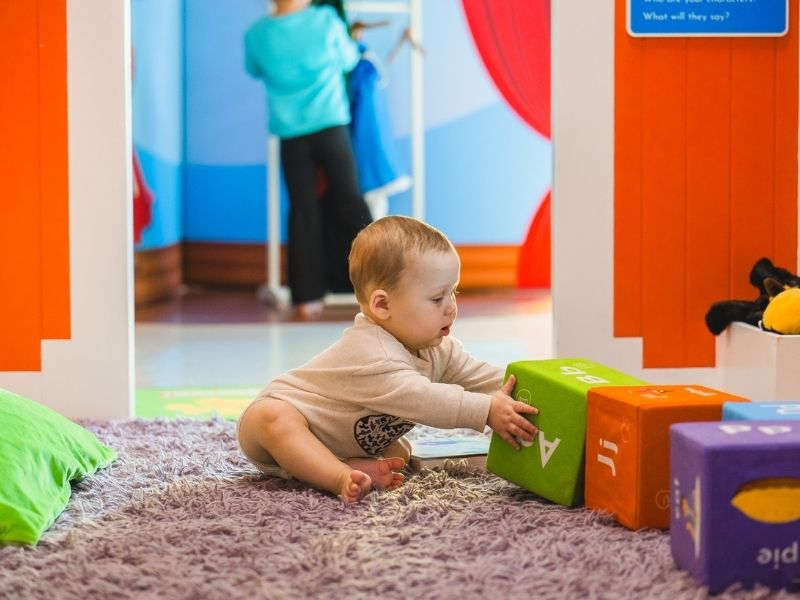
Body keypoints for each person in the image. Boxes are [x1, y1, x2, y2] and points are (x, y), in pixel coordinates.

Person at [237, 215, 541, 503]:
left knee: (400, 453)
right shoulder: (372, 353)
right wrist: (486, 409)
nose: (451, 308)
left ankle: (350, 462)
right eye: (437, 298)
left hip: (341, 439)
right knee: (274, 418)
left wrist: (539, 387)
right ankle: (339, 474)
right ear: (383, 305)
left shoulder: (437, 347)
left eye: (454, 293)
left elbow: (482, 376)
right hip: (274, 427)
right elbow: (421, 398)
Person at [244, 0, 373, 319]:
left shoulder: (257, 34)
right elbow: (348, 59)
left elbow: (254, 68)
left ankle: (307, 298)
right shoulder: (325, 21)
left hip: (290, 131)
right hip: (330, 123)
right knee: (350, 202)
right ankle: (380, 280)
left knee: (302, 210)